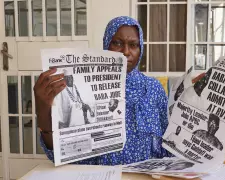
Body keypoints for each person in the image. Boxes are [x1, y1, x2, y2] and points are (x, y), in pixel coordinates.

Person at [34, 16, 174, 165]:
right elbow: (58, 152)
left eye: (133, 45)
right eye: (117, 43)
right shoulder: (81, 87)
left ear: (141, 49)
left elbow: (169, 147)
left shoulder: (153, 89)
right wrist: (42, 109)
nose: (126, 52)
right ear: (107, 44)